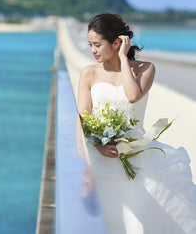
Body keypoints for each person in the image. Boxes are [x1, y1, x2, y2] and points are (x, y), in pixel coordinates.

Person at [77, 13, 196, 234]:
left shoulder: (146, 69)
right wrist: (98, 146)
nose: (92, 50)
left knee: (135, 225)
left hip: (137, 157)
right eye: (89, 45)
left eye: (97, 44)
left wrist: (123, 59)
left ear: (117, 43)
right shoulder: (88, 73)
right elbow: (84, 118)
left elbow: (132, 96)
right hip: (100, 157)